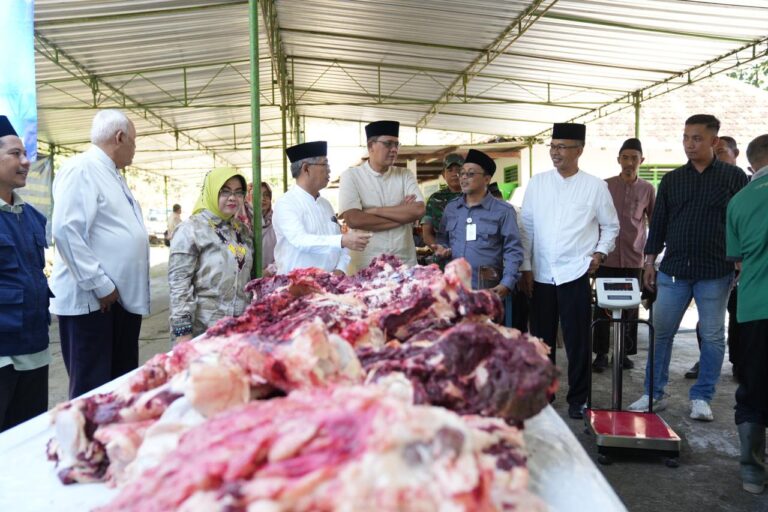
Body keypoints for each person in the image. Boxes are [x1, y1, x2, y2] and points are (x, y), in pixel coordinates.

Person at [629, 114, 748, 421]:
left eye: (696, 138)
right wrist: (649, 261)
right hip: (674, 270)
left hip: (716, 271)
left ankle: (702, 397)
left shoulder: (734, 179)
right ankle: (653, 394)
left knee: (711, 336)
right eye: (685, 138)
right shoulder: (672, 179)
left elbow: (741, 222)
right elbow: (659, 224)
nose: (690, 144)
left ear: (714, 141)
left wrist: (740, 259)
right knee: (660, 333)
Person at [520, 122, 619, 420]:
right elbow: (526, 228)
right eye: (552, 146)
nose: (555, 152)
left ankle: (579, 398)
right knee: (541, 340)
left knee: (578, 341)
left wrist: (600, 252)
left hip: (575, 272)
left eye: (562, 147)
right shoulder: (538, 183)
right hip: (540, 273)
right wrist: (525, 266)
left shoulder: (595, 186)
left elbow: (611, 225)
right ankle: (544, 395)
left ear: (579, 150)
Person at [50, 109, 149, 399]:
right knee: (92, 392)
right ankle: (90, 443)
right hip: (94, 303)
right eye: (134, 141)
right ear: (120, 137)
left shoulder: (110, 173)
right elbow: (67, 230)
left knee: (119, 388)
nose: (135, 149)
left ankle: (113, 442)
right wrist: (100, 284)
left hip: (116, 303)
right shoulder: (82, 168)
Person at [0, 116, 51, 431]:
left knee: (29, 437)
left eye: (25, 154)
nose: (26, 161)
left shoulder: (32, 217)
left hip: (35, 346)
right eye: (15, 154)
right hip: (2, 355)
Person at [592, 138, 655, 373]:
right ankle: (601, 353)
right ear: (618, 159)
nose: (629, 162)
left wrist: (650, 258)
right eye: (625, 157)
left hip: (634, 257)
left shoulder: (648, 189)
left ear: (641, 161)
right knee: (602, 307)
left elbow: (654, 222)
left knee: (630, 308)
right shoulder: (604, 186)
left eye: (634, 158)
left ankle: (624, 354)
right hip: (606, 257)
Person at [727, 134, 768, 494]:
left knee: (754, 385)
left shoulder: (739, 201)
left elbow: (737, 258)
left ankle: (752, 470)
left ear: (752, 163)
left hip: (755, 305)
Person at [685, 134, 745, 380]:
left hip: (742, 265)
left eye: (721, 153)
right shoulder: (703, 184)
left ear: (735, 154)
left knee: (741, 317)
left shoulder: (747, 186)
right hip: (712, 265)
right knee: (709, 322)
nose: (716, 158)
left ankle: (740, 363)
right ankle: (706, 361)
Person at [168, 167, 253, 342]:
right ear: (211, 191)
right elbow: (179, 287)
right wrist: (183, 335)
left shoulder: (241, 230)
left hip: (239, 330)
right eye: (225, 191)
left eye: (238, 192)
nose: (232, 197)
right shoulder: (190, 230)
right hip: (204, 331)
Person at [433, 149, 523, 299]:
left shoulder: (503, 211)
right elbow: (443, 239)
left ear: (486, 179)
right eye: (462, 173)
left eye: (471, 173)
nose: (463, 178)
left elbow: (513, 250)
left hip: (487, 289)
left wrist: (507, 283)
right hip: (455, 288)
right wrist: (442, 249)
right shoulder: (452, 208)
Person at [339, 120, 425, 272]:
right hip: (367, 264)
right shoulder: (352, 176)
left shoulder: (404, 175)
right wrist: (403, 214)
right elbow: (354, 219)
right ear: (370, 146)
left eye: (396, 144)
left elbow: (418, 210)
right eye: (388, 144)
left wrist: (374, 211)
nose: (394, 149)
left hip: (404, 262)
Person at [273, 141, 371, 274]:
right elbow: (301, 240)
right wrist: (342, 240)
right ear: (306, 168)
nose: (329, 169)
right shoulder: (286, 203)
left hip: (330, 284)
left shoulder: (326, 205)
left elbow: (341, 243)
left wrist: (340, 269)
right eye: (324, 164)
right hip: (296, 287)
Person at [421, 153, 464, 250]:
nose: (454, 174)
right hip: (444, 258)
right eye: (450, 170)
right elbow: (427, 234)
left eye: (458, 170)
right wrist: (439, 250)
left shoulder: (474, 196)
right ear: (443, 175)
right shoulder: (435, 199)